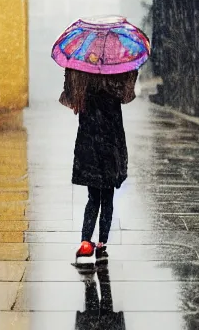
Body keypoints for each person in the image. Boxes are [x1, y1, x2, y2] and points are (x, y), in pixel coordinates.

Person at [59, 67, 138, 262]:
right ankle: (102, 242)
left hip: (90, 144)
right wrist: (132, 71)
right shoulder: (115, 81)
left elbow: (69, 96)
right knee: (107, 196)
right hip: (110, 145)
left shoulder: (83, 83)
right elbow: (127, 94)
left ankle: (86, 241)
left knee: (93, 197)